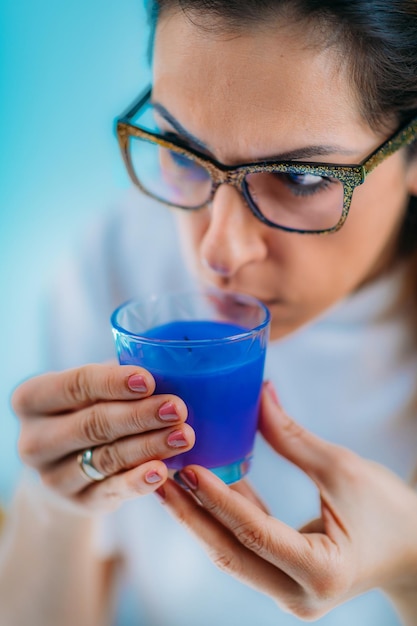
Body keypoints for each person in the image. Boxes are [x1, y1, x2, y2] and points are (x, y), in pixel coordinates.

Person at [2, 0, 417, 624]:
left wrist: (410, 570)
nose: (216, 251)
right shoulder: (121, 268)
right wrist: (58, 505)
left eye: (300, 178)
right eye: (181, 152)